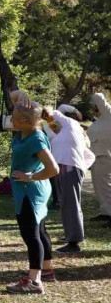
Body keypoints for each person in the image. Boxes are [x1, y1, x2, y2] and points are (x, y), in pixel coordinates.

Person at [4, 91, 60, 295]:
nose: (12, 121)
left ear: (28, 122)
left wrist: (30, 177)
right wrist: (23, 96)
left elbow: (53, 169)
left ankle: (34, 282)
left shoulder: (36, 138)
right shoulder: (24, 131)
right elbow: (13, 97)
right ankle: (46, 271)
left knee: (31, 235)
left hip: (31, 191)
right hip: (29, 191)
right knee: (40, 231)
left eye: (17, 119)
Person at [43, 104, 88, 253]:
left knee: (71, 204)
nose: (50, 122)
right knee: (66, 203)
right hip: (64, 169)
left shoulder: (71, 125)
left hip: (70, 168)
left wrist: (75, 110)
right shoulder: (61, 134)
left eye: (48, 118)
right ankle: (71, 235)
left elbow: (57, 110)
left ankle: (74, 242)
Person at [88, 93, 111, 227]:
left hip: (105, 155)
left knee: (107, 186)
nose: (94, 108)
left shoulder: (108, 113)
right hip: (96, 155)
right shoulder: (101, 119)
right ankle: (105, 211)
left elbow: (98, 97)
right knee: (99, 187)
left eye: (95, 106)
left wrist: (93, 96)